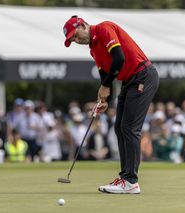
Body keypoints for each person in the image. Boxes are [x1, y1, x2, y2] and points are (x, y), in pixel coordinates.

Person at [63, 16, 159, 194]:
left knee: (130, 128)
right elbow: (106, 76)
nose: (76, 41)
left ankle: (131, 181)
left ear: (82, 25)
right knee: (119, 127)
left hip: (143, 75)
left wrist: (106, 86)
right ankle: (125, 178)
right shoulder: (93, 50)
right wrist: (104, 100)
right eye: (72, 40)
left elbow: (119, 59)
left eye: (75, 36)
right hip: (129, 81)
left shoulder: (104, 29)